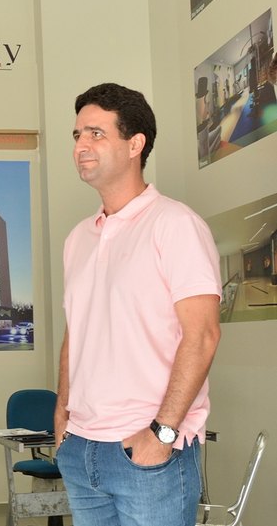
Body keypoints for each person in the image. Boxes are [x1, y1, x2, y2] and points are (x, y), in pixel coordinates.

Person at [54, 83, 222, 526]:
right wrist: (62, 415)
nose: (81, 147)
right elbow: (78, 332)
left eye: (95, 134)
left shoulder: (176, 224)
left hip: (145, 452)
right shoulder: (78, 239)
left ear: (135, 144)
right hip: (81, 448)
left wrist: (162, 433)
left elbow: (202, 335)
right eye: (76, 136)